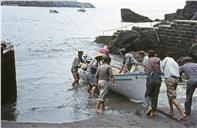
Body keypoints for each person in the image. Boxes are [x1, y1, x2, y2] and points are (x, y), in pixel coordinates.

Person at [161, 51, 186, 120]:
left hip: (170, 79)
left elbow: (161, 68)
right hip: (176, 79)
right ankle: (171, 111)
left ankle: (182, 113)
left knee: (172, 97)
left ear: (167, 55)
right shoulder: (175, 63)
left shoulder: (166, 59)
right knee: (170, 96)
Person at [145, 50, 162, 117]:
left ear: (149, 55)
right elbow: (162, 69)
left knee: (147, 94)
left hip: (151, 77)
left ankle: (149, 107)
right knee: (155, 95)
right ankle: (153, 112)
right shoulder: (159, 60)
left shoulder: (148, 60)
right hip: (158, 78)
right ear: (154, 54)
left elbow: (146, 70)